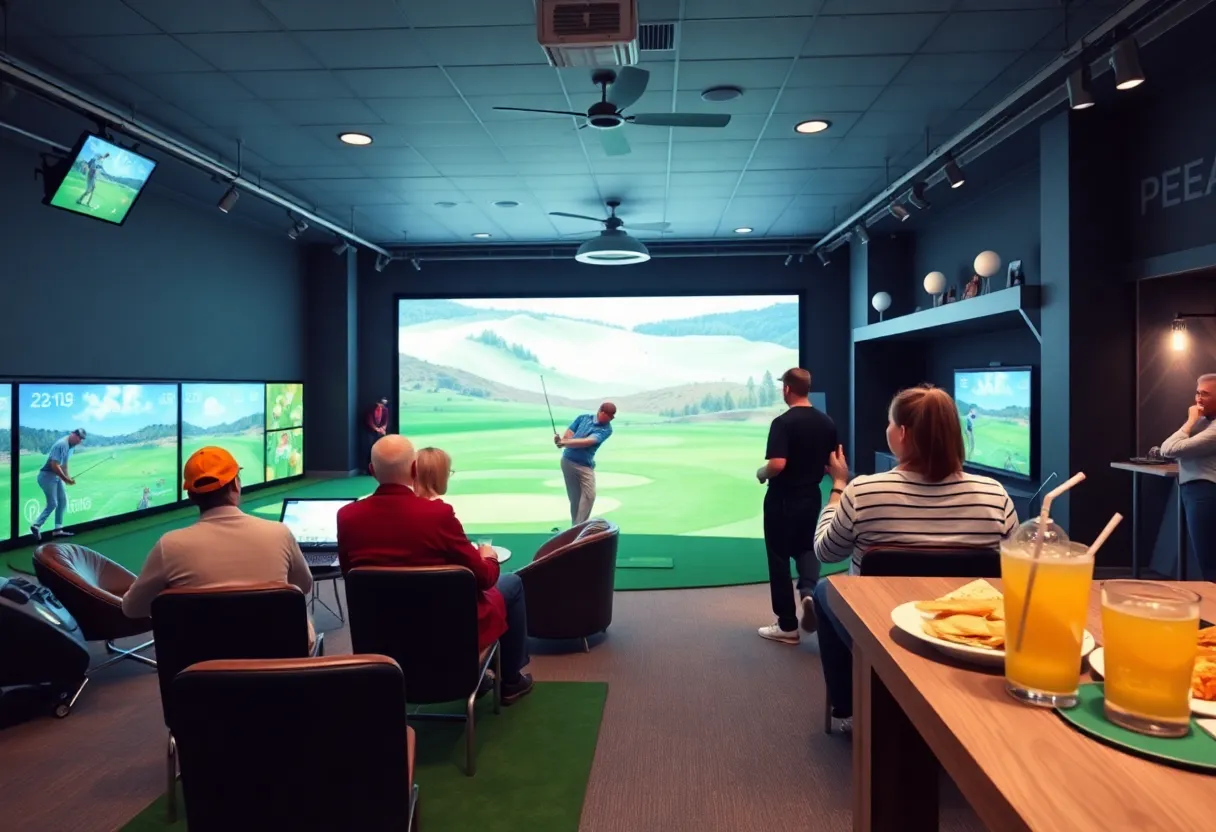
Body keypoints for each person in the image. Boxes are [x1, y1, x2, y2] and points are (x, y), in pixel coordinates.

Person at [812, 385, 1017, 731]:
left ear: (902, 434)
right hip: (967, 637)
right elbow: (1013, 571)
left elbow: (826, 550)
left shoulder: (863, 492)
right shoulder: (994, 495)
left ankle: (847, 709)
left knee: (822, 589)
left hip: (879, 630)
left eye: (890, 423)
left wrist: (837, 489)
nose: (887, 429)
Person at [337, 435, 533, 703]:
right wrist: (489, 557)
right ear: (415, 469)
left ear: (371, 471)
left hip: (381, 634)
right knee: (512, 583)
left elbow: (351, 575)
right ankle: (510, 681)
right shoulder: (437, 515)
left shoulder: (347, 516)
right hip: (447, 630)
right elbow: (485, 578)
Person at [122, 446, 316, 648]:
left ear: (191, 496)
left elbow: (132, 608)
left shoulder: (169, 546)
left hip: (199, 671)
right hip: (278, 667)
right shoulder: (279, 533)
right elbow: (304, 585)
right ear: (236, 486)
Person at [755, 369, 837, 644]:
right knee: (805, 547)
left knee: (778, 557)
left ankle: (787, 625)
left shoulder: (783, 422)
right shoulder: (827, 422)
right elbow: (834, 464)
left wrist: (762, 473)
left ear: (787, 390)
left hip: (782, 498)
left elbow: (778, 464)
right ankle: (809, 592)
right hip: (811, 496)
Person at [1159, 373, 1216, 581]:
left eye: (1205, 394)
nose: (1198, 399)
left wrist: (1190, 421)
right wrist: (1193, 422)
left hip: (1206, 492)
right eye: (1197, 393)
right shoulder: (1204, 421)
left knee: (1209, 559)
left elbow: (1169, 449)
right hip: (1193, 491)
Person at [556, 402, 616, 526]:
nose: (609, 420)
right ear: (601, 411)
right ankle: (575, 528)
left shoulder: (607, 429)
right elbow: (568, 435)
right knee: (575, 499)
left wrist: (564, 442)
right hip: (567, 461)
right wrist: (563, 441)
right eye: (608, 416)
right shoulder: (582, 418)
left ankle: (578, 528)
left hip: (585, 466)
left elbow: (588, 441)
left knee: (590, 495)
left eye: (611, 417)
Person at [31, 428, 86, 541]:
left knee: (63, 500)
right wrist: (65, 479)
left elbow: (64, 465)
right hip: (47, 476)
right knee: (53, 503)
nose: (79, 440)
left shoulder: (71, 447)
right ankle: (36, 525)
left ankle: (58, 530)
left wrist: (68, 478)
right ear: (72, 434)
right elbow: (54, 465)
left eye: (81, 439)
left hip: (55, 476)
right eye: (78, 437)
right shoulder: (62, 444)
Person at [364, 397, 391, 471]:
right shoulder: (371, 409)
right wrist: (376, 429)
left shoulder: (385, 410)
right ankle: (369, 470)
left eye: (384, 404)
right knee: (371, 449)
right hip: (371, 431)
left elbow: (385, 421)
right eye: (381, 403)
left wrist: (383, 428)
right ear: (377, 403)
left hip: (380, 431)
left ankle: (380, 469)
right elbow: (369, 421)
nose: (382, 405)